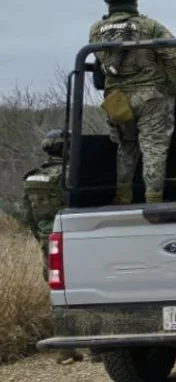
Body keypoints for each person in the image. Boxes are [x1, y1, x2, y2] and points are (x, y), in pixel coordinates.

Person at [89, 0, 176, 205]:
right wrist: (171, 87)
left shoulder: (95, 29)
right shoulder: (150, 26)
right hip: (151, 97)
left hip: (117, 99)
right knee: (154, 148)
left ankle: (123, 196)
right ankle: (153, 202)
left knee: (126, 146)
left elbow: (101, 60)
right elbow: (174, 56)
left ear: (107, 0)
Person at [22, 131, 94, 363]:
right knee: (89, 288)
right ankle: (97, 348)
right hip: (75, 238)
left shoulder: (32, 178)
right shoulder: (70, 175)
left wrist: (42, 237)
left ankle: (66, 350)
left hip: (49, 240)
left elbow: (28, 216)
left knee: (60, 294)